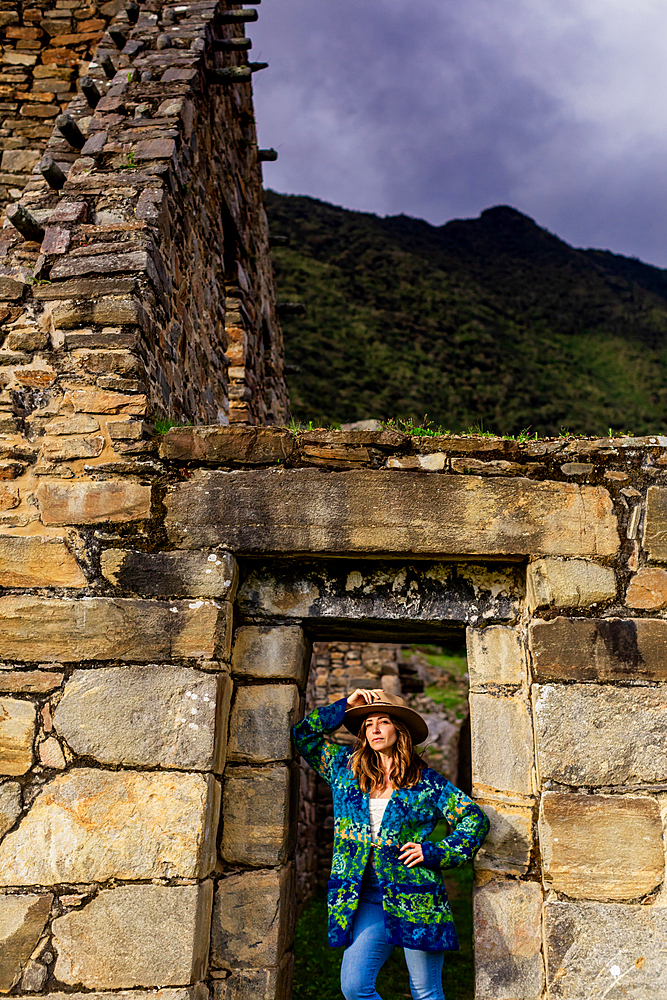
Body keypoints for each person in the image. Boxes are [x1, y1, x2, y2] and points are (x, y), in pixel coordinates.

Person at [292, 687, 490, 1000]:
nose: (374, 729)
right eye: (368, 724)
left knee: (425, 991)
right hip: (366, 896)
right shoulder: (344, 769)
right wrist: (346, 705)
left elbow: (474, 821)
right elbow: (304, 735)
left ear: (399, 730)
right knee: (354, 986)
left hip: (416, 896)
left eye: (382, 722)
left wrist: (433, 851)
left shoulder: (427, 783)